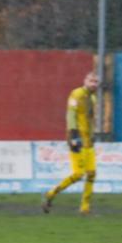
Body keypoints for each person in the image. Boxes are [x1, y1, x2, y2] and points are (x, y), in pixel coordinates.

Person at [42, 70, 99, 215]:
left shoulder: (93, 98)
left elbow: (90, 119)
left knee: (92, 173)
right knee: (79, 174)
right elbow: (71, 114)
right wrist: (73, 135)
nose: (94, 84)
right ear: (85, 81)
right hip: (77, 139)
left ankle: (85, 207)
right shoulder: (76, 94)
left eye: (96, 82)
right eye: (91, 81)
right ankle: (51, 194)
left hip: (88, 142)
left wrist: (93, 134)